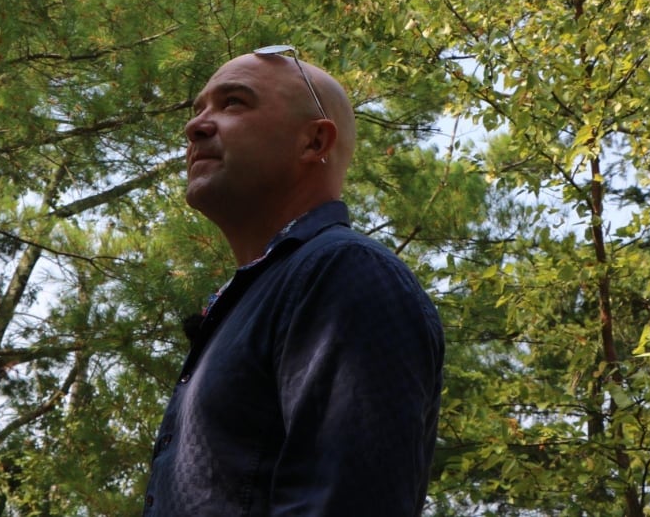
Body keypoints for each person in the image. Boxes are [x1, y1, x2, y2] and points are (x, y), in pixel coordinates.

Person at [142, 46, 444, 516]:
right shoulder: (255, 299)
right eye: (198, 109)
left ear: (314, 143)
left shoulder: (343, 273)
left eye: (234, 102)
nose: (195, 125)